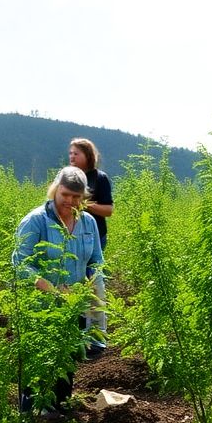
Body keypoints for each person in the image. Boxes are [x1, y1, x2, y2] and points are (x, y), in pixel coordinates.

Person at [12, 166, 105, 419]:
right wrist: (52, 289)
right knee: (39, 355)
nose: (70, 201)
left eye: (77, 197)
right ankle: (31, 411)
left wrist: (91, 288)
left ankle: (59, 406)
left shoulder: (88, 223)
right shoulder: (36, 221)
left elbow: (97, 260)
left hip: (75, 304)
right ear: (55, 189)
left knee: (68, 354)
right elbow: (21, 263)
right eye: (65, 194)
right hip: (41, 305)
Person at [67, 138, 113, 352]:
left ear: (88, 155)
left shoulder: (99, 179)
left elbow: (108, 210)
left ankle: (95, 338)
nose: (72, 157)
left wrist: (84, 205)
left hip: (93, 238)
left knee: (93, 283)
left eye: (76, 153)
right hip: (69, 237)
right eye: (70, 153)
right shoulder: (67, 177)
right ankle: (74, 333)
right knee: (71, 281)